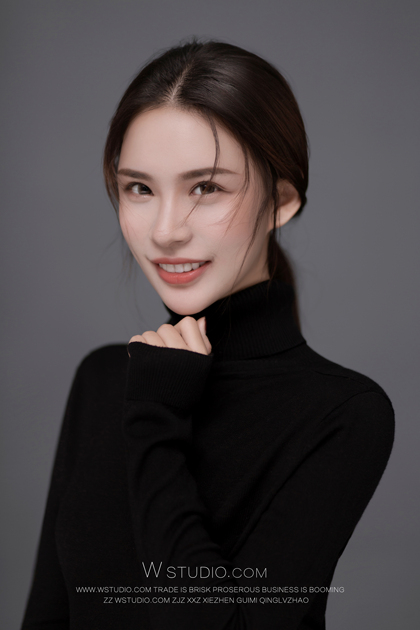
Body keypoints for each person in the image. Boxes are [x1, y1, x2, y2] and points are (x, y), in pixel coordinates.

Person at [21, 38, 395, 630]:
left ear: (281, 200)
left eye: (206, 187)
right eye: (140, 188)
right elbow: (48, 614)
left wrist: (157, 423)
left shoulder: (343, 414)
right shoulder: (105, 378)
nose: (166, 231)